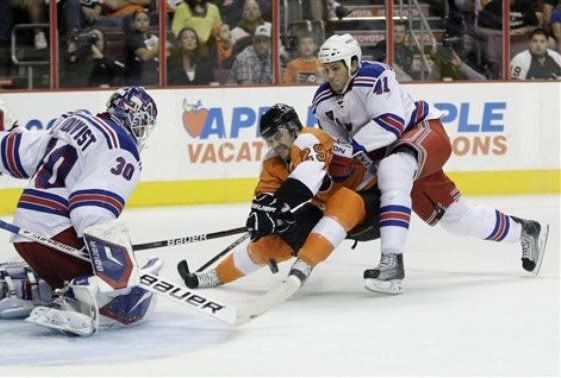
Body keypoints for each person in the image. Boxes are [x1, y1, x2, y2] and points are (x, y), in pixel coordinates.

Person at [313, 33, 548, 294]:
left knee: (393, 168)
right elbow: (337, 147)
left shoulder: (376, 76)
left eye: (335, 68)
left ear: (353, 63)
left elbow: (390, 125)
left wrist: (351, 149)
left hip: (422, 131)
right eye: (325, 70)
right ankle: (524, 230)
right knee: (457, 218)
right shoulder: (322, 101)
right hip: (393, 156)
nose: (330, 75)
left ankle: (391, 262)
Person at [0, 87, 162, 337]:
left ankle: (9, 287)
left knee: (65, 270)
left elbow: (15, 153)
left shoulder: (73, 120)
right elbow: (91, 210)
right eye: (142, 125)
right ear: (134, 117)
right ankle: (82, 298)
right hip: (56, 236)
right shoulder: (122, 147)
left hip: (25, 236)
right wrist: (115, 267)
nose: (141, 133)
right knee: (125, 292)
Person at [178, 104, 381, 289]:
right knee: (276, 239)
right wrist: (259, 218)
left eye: (278, 136)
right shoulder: (272, 161)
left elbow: (308, 177)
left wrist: (276, 209)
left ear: (293, 128)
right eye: (269, 139)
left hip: (371, 206)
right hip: (326, 211)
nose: (275, 144)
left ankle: (304, 264)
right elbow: (264, 199)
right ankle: (214, 276)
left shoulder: (309, 139)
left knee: (346, 198)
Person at [124, 8, 159, 85]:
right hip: (137, 81)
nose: (142, 23)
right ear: (133, 23)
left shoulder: (152, 37)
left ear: (149, 22)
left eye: (145, 20)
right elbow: (144, 56)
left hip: (154, 78)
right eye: (138, 20)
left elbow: (167, 54)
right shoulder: (131, 37)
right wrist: (160, 45)